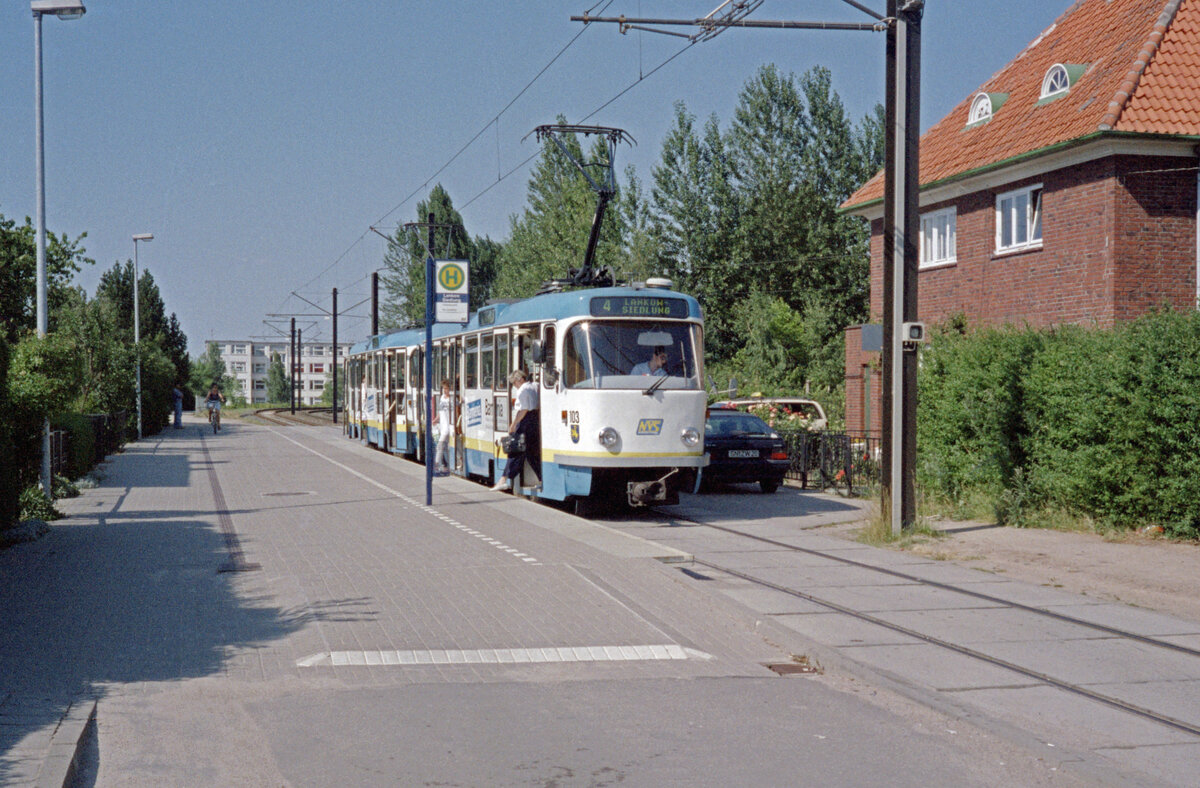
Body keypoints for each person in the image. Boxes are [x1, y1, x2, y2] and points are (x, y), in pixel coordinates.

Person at [492, 369, 539, 491]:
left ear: (520, 379)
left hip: (525, 421)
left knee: (514, 449)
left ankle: (504, 479)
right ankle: (540, 478)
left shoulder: (522, 390)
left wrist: (513, 425)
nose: (514, 386)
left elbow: (523, 410)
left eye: (514, 383)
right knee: (531, 453)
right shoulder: (535, 386)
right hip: (535, 420)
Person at [432, 378, 452, 475]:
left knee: (440, 446)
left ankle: (436, 465)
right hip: (443, 425)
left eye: (447, 388)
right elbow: (440, 411)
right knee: (446, 447)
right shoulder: (442, 397)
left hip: (449, 426)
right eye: (444, 388)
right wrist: (436, 419)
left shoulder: (451, 399)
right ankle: (448, 466)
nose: (445, 390)